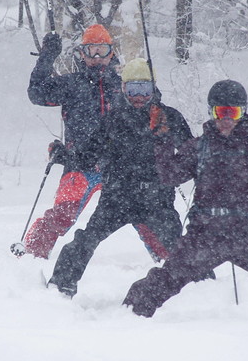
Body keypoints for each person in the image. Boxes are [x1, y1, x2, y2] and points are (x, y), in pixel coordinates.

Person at [123, 80, 248, 317]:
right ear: (212, 112)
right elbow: (170, 176)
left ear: (244, 112)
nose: (227, 119)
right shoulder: (198, 147)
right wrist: (161, 140)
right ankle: (127, 318)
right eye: (221, 112)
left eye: (234, 112)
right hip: (205, 236)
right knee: (163, 282)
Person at [45, 58, 193, 297]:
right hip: (117, 198)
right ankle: (60, 288)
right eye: (133, 89)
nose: (139, 96)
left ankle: (203, 289)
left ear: (153, 88)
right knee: (85, 240)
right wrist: (65, 155)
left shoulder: (169, 118)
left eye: (145, 89)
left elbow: (191, 155)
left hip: (156, 200)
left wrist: (175, 169)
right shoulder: (113, 120)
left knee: (181, 249)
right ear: (123, 89)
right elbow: (87, 155)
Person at [17, 25, 159, 260]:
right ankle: (31, 255)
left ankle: (167, 259)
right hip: (81, 162)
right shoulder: (71, 84)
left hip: (121, 166)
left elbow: (151, 104)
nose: (96, 57)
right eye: (90, 50)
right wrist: (47, 57)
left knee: (143, 213)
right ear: (81, 53)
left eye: (102, 50)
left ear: (111, 53)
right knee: (63, 212)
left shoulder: (123, 85)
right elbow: (37, 93)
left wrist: (150, 81)